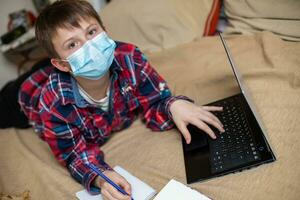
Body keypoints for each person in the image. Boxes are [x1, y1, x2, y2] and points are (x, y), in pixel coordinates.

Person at [18, 1, 225, 200]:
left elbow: (155, 101)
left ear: (105, 31)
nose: (90, 46)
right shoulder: (54, 103)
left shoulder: (129, 57)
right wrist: (101, 177)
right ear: (62, 64)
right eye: (73, 44)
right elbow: (74, 155)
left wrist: (174, 105)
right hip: (29, 93)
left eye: (91, 32)